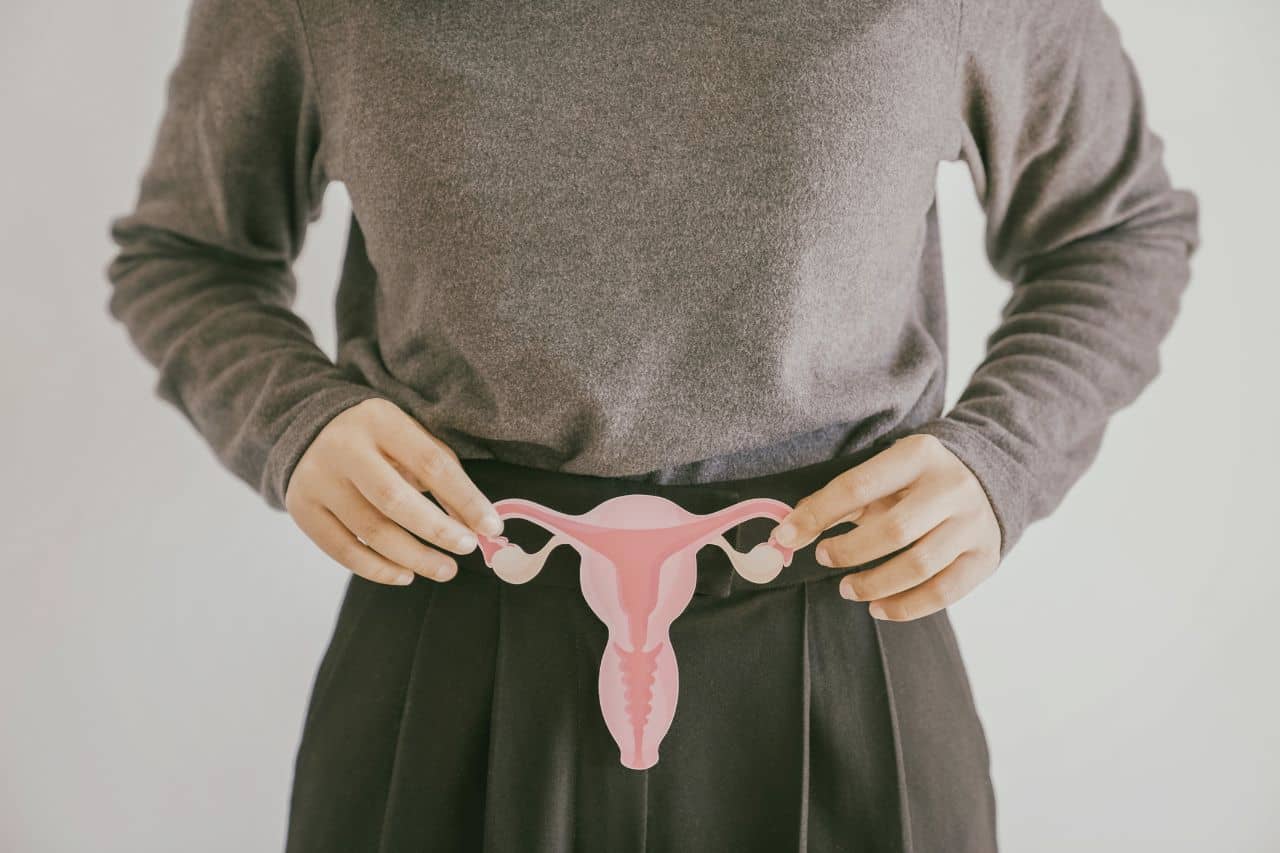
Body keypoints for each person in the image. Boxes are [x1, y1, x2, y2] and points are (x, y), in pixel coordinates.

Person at [105, 0, 1199, 850]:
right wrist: (291, 421)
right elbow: (187, 253)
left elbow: (1117, 230)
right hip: (449, 653)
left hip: (840, 648)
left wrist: (1001, 453)